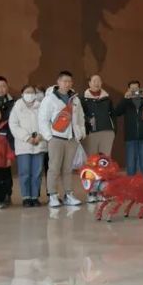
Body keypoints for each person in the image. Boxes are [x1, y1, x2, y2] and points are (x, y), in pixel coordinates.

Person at [38, 71, 85, 208]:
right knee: (54, 167)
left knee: (68, 168)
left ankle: (68, 195)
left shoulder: (75, 99)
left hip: (72, 138)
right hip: (56, 138)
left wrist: (80, 133)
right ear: (58, 82)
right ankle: (53, 195)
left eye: (69, 81)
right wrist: (49, 137)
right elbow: (42, 119)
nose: (67, 84)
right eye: (64, 81)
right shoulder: (50, 99)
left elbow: (81, 118)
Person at [10, 84, 47, 207]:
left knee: (37, 172)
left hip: (39, 144)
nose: (29, 94)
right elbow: (13, 125)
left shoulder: (41, 107)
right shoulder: (17, 107)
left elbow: (46, 123)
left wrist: (40, 136)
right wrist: (27, 138)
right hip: (24, 145)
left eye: (32, 92)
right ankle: (26, 197)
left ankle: (35, 197)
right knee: (24, 172)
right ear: (22, 94)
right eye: (27, 92)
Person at [114, 81, 143, 181]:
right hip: (130, 137)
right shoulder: (126, 102)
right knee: (131, 165)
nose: (134, 91)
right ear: (128, 90)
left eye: (136, 89)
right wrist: (124, 98)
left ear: (140, 89)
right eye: (132, 89)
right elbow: (117, 112)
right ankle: (131, 187)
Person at [81, 74, 116, 156]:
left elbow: (113, 115)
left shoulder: (107, 98)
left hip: (107, 131)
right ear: (89, 83)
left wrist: (114, 130)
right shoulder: (83, 99)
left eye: (99, 81)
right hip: (90, 133)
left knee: (105, 159)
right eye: (94, 81)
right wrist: (88, 120)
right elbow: (79, 115)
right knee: (91, 159)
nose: (97, 83)